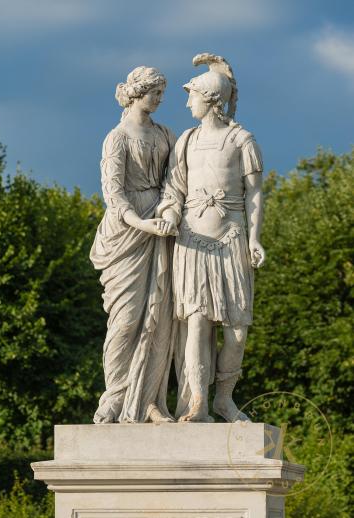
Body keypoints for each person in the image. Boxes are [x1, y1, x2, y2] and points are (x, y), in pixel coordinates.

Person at [157, 53, 265, 422]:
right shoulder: (185, 141)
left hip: (231, 238)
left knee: (236, 329)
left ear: (211, 100)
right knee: (197, 324)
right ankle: (199, 401)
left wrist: (255, 239)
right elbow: (173, 190)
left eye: (193, 95)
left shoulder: (241, 140)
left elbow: (254, 194)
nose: (187, 102)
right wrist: (170, 214)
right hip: (191, 241)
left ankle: (225, 397)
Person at [90, 66, 177, 424]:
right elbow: (113, 192)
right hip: (127, 233)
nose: (159, 99)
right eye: (155, 92)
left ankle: (149, 401)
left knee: (158, 320)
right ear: (138, 93)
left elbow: (175, 180)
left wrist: (169, 209)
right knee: (125, 321)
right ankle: (114, 398)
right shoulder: (117, 137)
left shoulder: (166, 134)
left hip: (159, 226)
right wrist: (141, 222)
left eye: (161, 93)